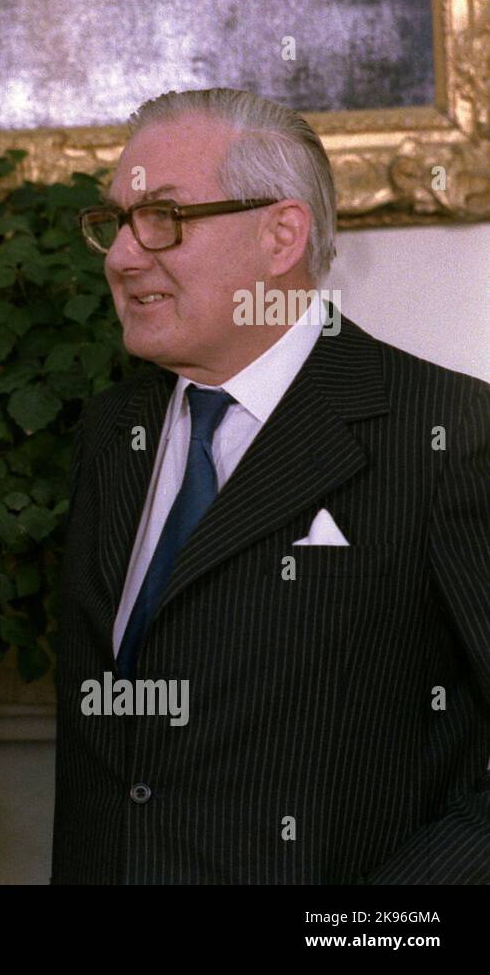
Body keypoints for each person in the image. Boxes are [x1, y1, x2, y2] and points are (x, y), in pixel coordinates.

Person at [52, 88, 490, 883]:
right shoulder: (112, 436)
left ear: (281, 233)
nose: (121, 254)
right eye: (115, 221)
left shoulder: (449, 434)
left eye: (163, 218)